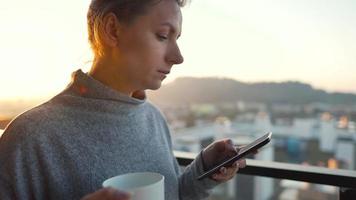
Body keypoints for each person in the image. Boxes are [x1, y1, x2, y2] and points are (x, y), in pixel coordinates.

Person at [0, 0, 247, 199]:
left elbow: (172, 195)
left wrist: (203, 170)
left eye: (176, 39)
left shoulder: (154, 119)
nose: (178, 56)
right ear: (112, 30)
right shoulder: (30, 137)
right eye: (163, 36)